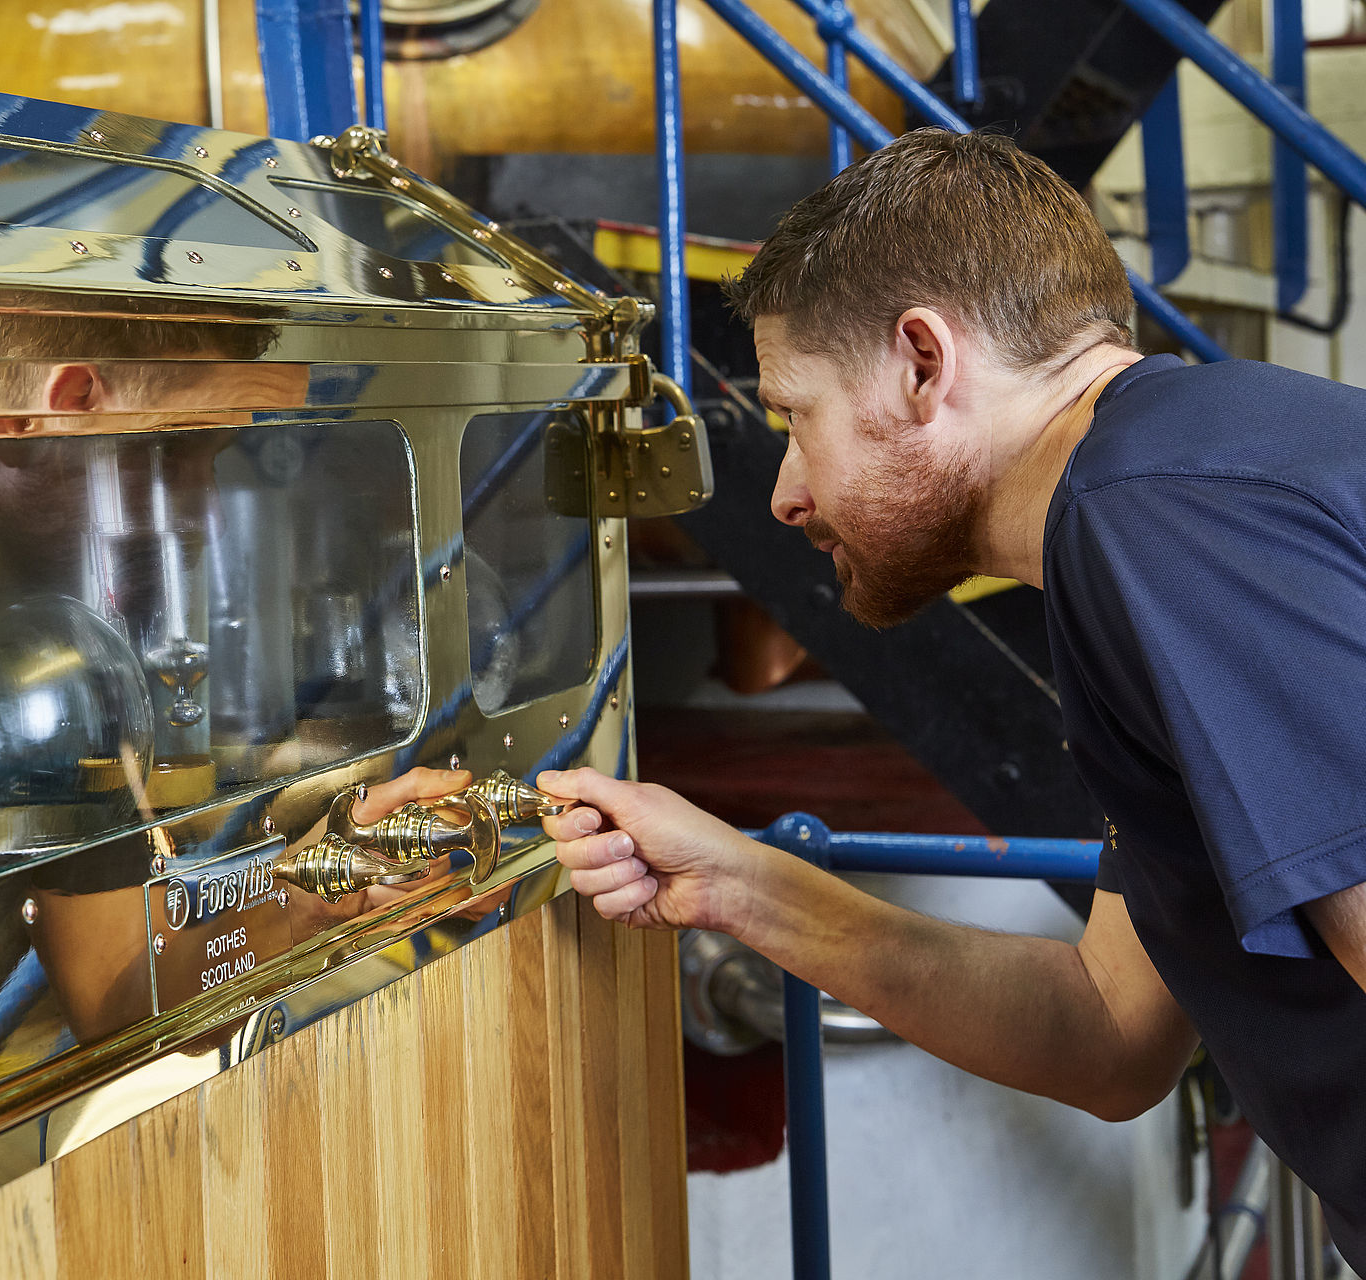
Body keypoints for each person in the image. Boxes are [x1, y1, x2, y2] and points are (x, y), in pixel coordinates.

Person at [538, 127, 1366, 1267]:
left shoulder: (1155, 521)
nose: (784, 492)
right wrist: (737, 881)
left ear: (924, 361)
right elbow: (1110, 1029)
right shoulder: (1158, 500)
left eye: (794, 415)